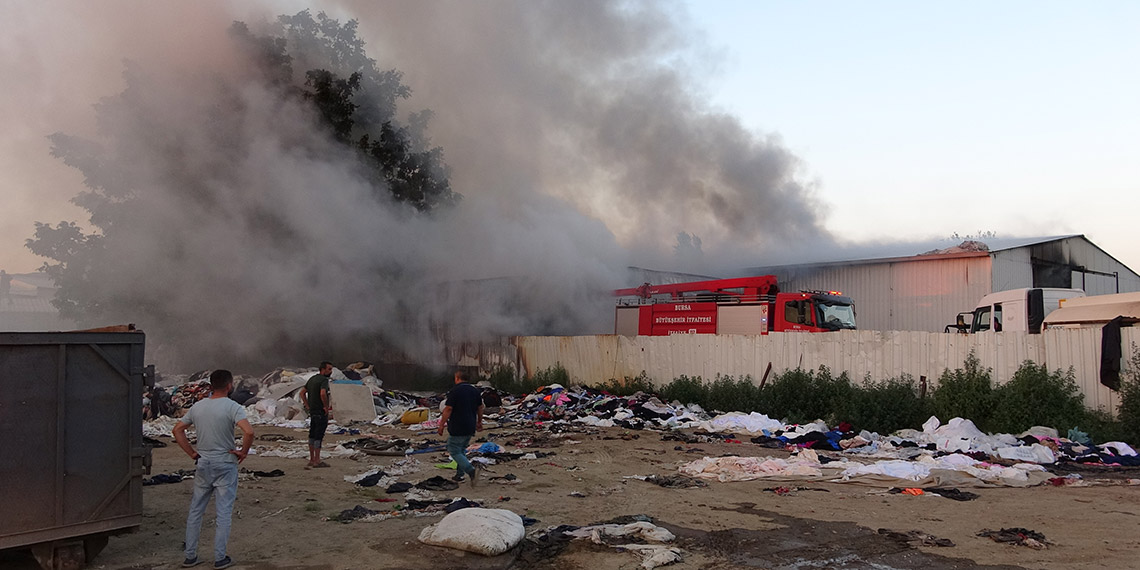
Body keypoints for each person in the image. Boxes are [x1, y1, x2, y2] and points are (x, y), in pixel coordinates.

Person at [172, 369, 254, 570]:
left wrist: (192, 454)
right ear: (229, 385)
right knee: (223, 512)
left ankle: (190, 556)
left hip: (203, 462)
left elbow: (177, 430)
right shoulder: (232, 407)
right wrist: (243, 452)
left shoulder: (198, 407)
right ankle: (220, 558)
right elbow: (249, 431)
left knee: (196, 510)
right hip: (225, 463)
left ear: (211, 385)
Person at [437, 370, 484, 487]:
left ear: (457, 378)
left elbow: (448, 409)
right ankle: (459, 475)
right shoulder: (475, 391)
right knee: (461, 449)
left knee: (453, 449)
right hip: (470, 425)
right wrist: (479, 422)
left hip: (458, 424)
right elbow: (480, 407)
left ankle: (471, 470)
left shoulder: (455, 391)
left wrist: (441, 424)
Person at [300, 361, 333, 468]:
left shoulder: (312, 379)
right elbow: (323, 393)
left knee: (312, 434)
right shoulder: (323, 380)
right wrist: (326, 406)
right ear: (323, 369)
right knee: (319, 435)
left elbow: (302, 393)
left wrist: (307, 405)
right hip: (320, 411)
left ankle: (311, 459)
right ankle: (317, 460)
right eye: (329, 369)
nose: (331, 371)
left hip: (313, 411)